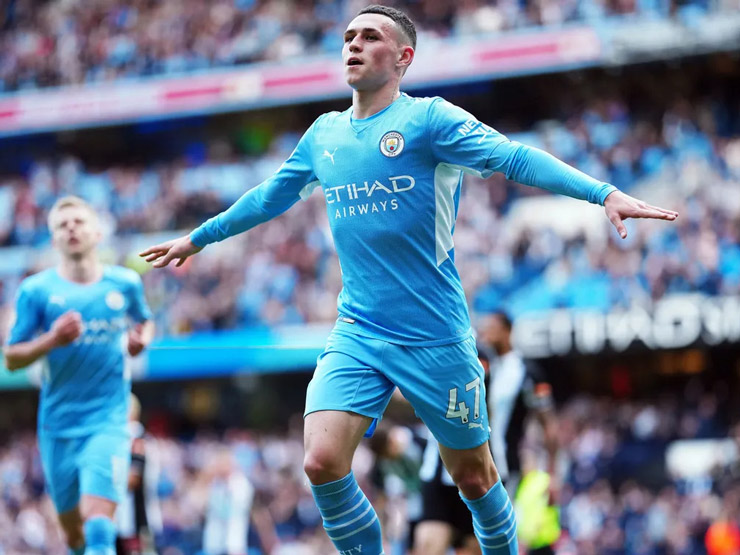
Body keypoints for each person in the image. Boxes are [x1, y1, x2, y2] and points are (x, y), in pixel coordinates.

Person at [139, 5, 678, 554]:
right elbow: (267, 197)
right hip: (359, 329)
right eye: (348, 36)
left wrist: (603, 193)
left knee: (474, 477)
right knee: (321, 461)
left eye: (369, 36)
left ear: (403, 57)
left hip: (435, 335)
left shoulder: (429, 121)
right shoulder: (324, 134)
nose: (353, 44)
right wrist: (200, 236)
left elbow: (514, 158)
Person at [4, 196, 154, 555]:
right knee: (74, 536)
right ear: (54, 239)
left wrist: (141, 341)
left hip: (108, 420)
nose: (71, 228)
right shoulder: (36, 291)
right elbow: (11, 359)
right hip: (58, 425)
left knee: (99, 526)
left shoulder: (125, 283)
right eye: (62, 225)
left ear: (97, 232)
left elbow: (145, 321)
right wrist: (52, 339)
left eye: (78, 221)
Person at [115, 394, 162, 555]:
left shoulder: (135, 439)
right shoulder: (136, 438)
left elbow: (132, 479)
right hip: (127, 518)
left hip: (135, 517)